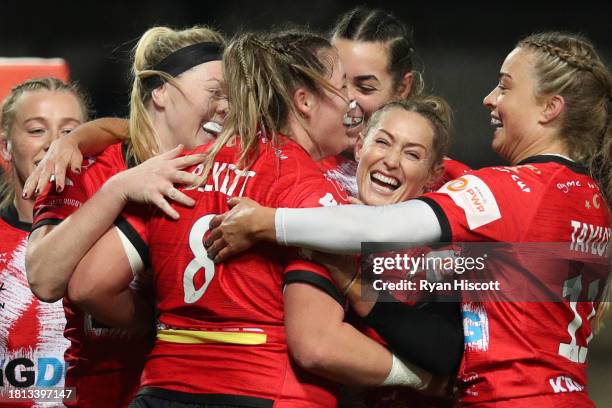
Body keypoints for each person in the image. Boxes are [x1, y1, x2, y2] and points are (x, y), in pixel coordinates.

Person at [206, 31, 611, 407]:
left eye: (505, 86)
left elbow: (382, 231)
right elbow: (507, 280)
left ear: (550, 108)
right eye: (382, 142)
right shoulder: (592, 203)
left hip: (509, 397)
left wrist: (266, 222)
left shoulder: (511, 190)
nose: (489, 98)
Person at [66, 29, 438, 407]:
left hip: (162, 389)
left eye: (412, 153)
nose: (352, 104)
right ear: (305, 101)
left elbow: (90, 285)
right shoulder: (315, 191)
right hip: (267, 390)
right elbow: (318, 345)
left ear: (403, 89)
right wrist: (423, 378)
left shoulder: (183, 169)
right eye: (345, 85)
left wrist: (170, 329)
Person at [26, 25, 227, 407]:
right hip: (103, 394)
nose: (228, 106)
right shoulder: (86, 166)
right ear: (161, 91)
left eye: (363, 88)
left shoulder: (246, 171)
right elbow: (45, 279)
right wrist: (117, 189)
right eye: (216, 92)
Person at [324, 96, 463, 407]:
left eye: (412, 154)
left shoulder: (442, 248)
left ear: (433, 175)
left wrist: (356, 285)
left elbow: (445, 350)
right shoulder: (318, 210)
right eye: (383, 142)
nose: (391, 160)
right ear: (359, 146)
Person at [0, 77, 86, 405]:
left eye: (70, 132)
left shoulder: (117, 236)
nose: (55, 145)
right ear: (6, 146)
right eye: (37, 130)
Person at [322, 6, 469, 197]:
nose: (345, 100)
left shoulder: (451, 182)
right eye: (336, 83)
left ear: (401, 89)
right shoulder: (285, 158)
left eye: (365, 88)